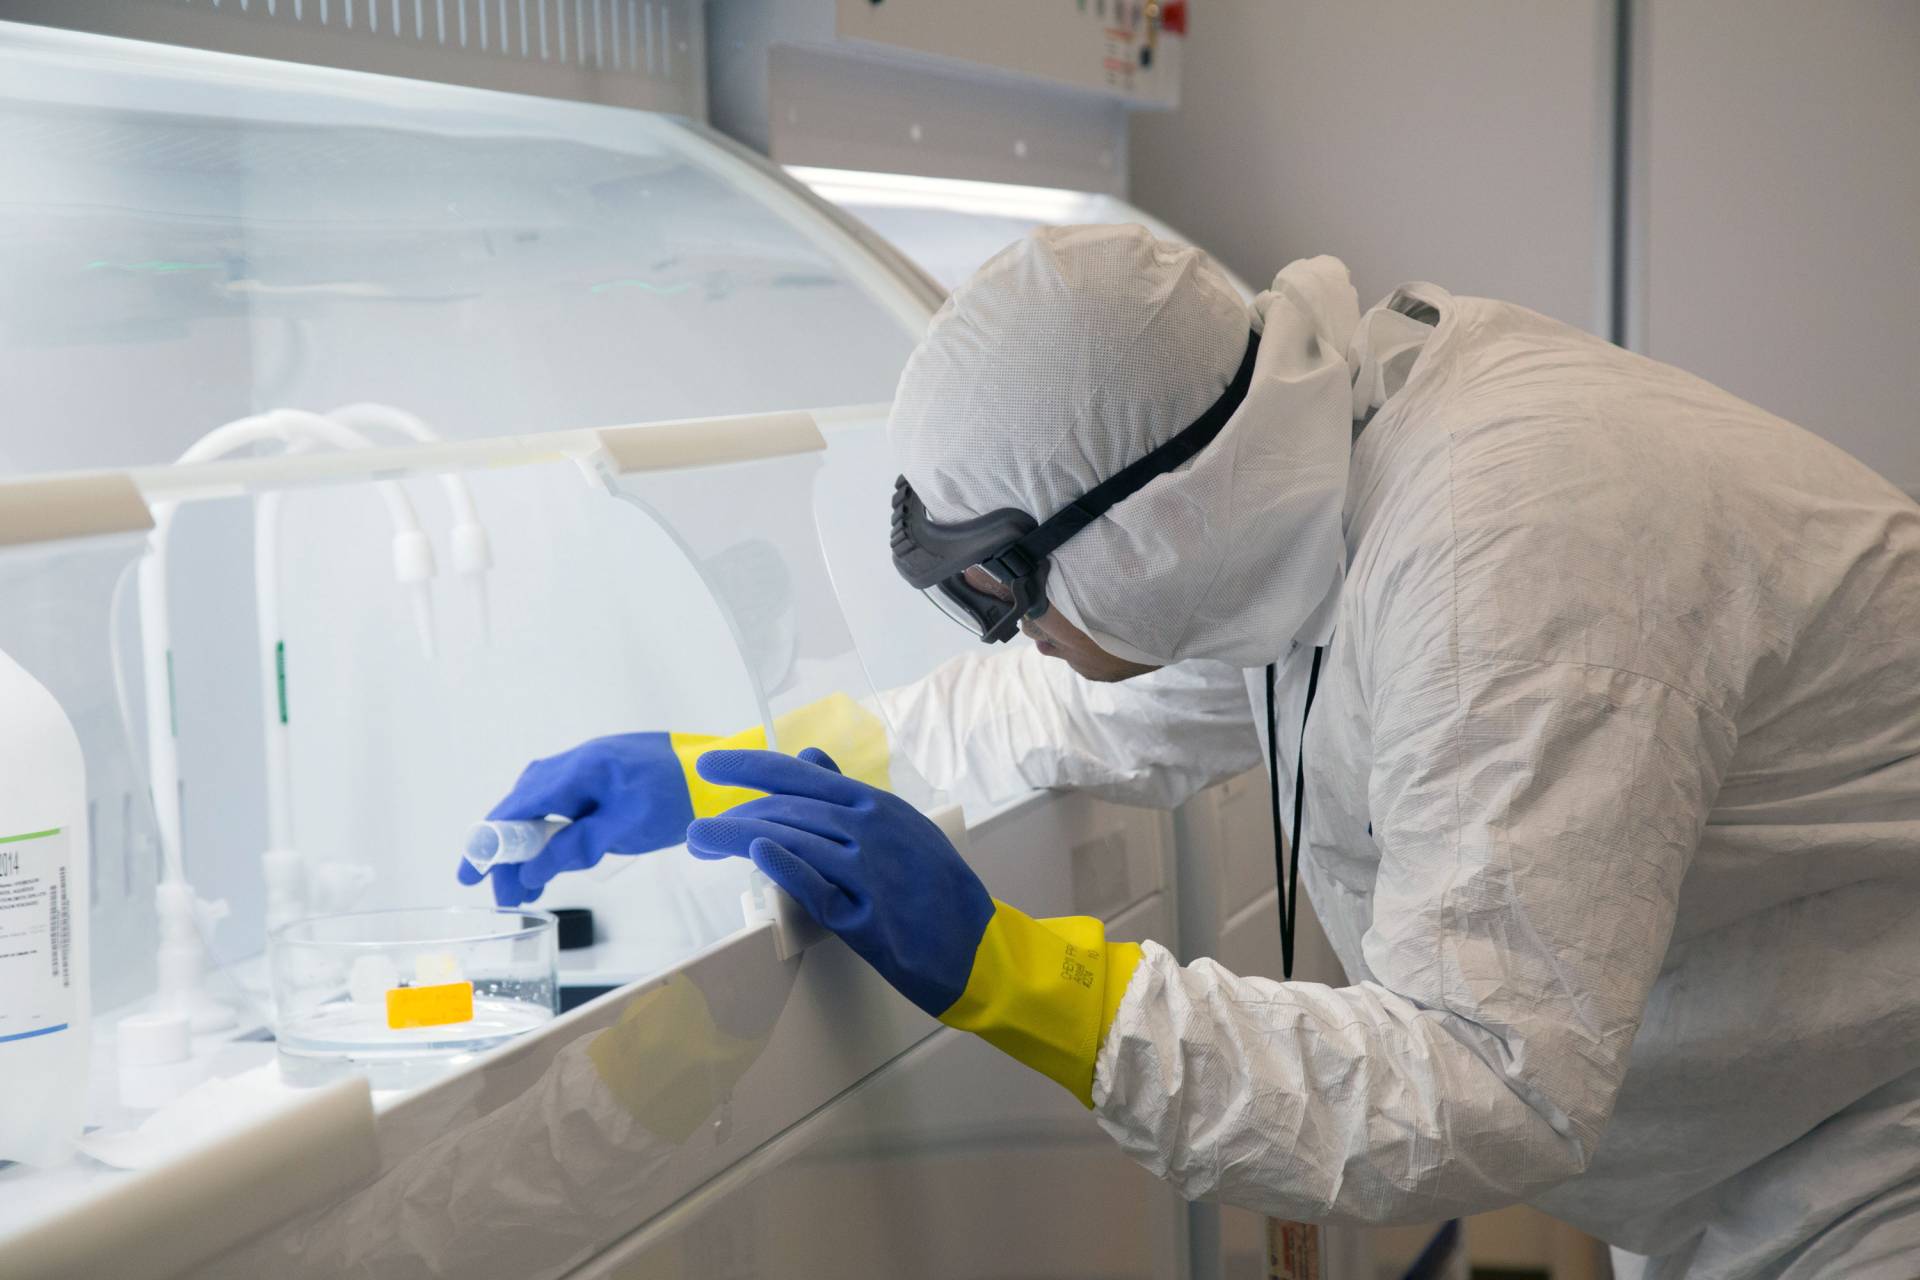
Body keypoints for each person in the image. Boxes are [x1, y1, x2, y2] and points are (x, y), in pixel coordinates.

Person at [474, 227, 1920, 1279]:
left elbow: (1489, 1086)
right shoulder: (1316, 480)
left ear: (1153, 518)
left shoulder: (1506, 569)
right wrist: (745, 763)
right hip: (1753, 1163)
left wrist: (1027, 982)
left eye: (1010, 586)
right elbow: (1078, 705)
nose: (1012, 633)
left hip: (1871, 1159)